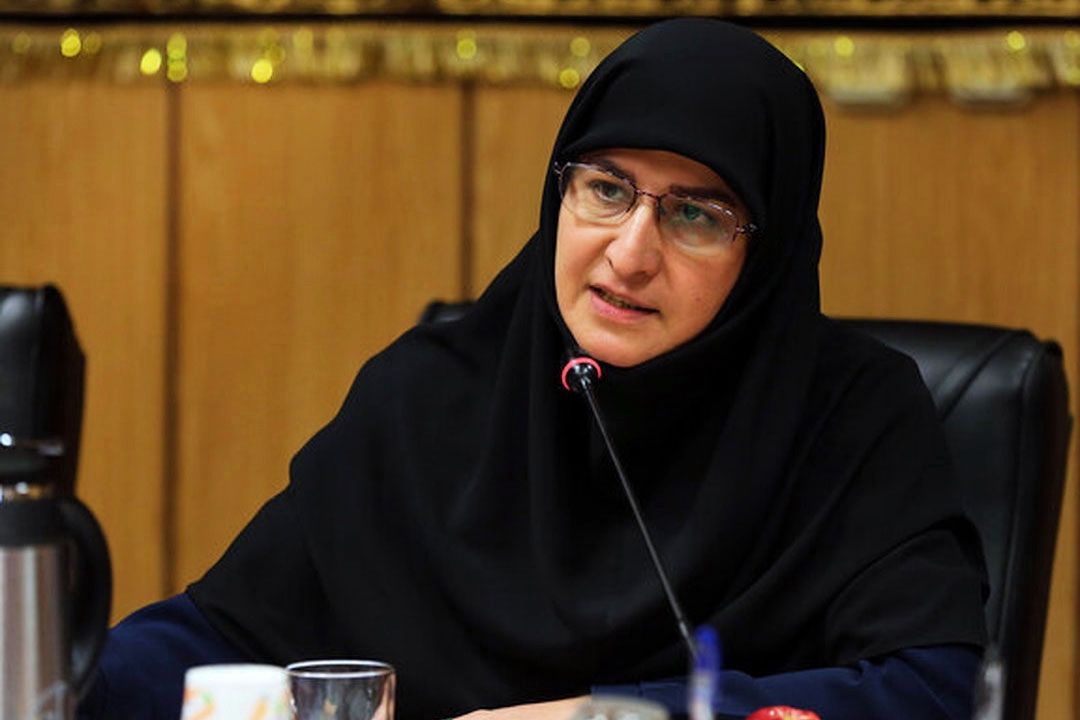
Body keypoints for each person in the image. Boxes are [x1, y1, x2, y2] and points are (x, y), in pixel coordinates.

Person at [79, 18, 988, 720]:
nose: (629, 254)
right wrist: (63, 674)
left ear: (768, 252)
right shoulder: (430, 395)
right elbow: (225, 635)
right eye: (606, 189)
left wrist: (604, 716)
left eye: (696, 216)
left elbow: (928, 691)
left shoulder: (851, 419)